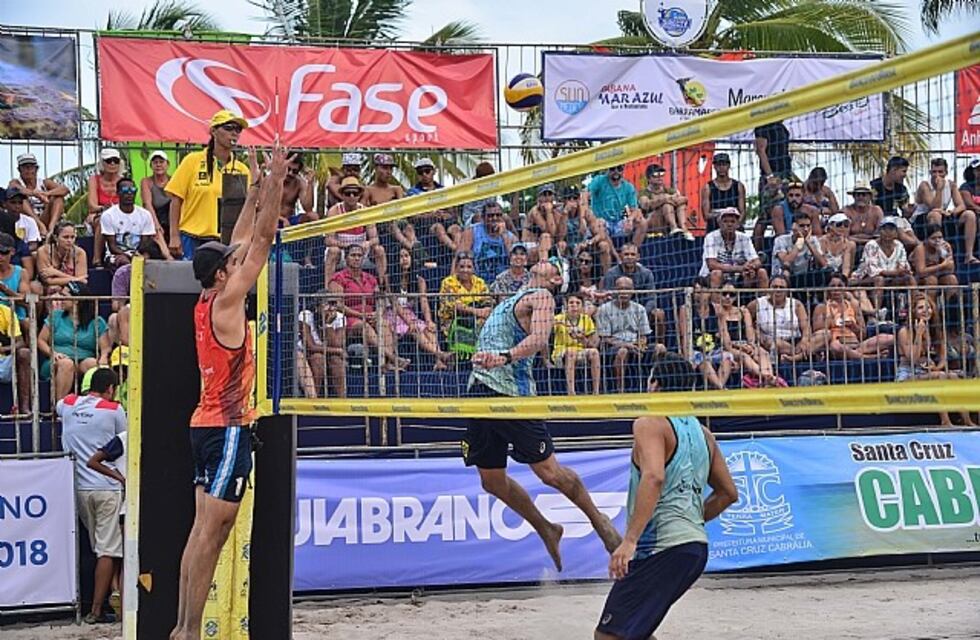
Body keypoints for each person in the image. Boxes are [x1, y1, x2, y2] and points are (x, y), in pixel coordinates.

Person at [170, 143, 287, 640]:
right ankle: (190, 631)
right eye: (230, 263)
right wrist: (279, 179)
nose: (236, 261)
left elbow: (240, 236)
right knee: (212, 536)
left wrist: (257, 184)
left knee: (202, 532)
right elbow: (260, 240)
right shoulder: (228, 300)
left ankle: (182, 628)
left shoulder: (207, 295)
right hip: (229, 427)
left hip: (205, 425)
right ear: (223, 275)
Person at [465, 258, 622, 570]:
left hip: (512, 396)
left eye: (555, 267)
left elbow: (538, 341)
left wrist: (504, 356)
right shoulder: (513, 297)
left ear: (554, 280)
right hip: (480, 390)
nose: (548, 261)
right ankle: (545, 527)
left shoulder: (543, 297)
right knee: (491, 481)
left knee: (550, 473)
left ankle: (598, 520)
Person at [595, 354, 738, 640]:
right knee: (637, 631)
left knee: (608, 636)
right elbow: (728, 494)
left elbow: (654, 477)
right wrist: (691, 521)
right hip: (694, 548)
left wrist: (630, 540)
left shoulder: (649, 422)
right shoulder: (704, 433)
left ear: (655, 385)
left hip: (662, 548)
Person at [58, 368, 127, 625]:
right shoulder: (114, 410)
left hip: (78, 489)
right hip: (106, 487)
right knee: (107, 551)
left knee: (100, 547)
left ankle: (112, 595)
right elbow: (122, 440)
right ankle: (97, 610)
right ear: (110, 388)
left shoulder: (68, 404)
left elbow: (58, 405)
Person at [167, 110, 251, 260]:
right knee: (191, 282)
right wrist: (174, 236)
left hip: (226, 241)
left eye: (238, 129)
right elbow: (176, 199)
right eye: (228, 127)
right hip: (193, 238)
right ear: (213, 131)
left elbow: (249, 208)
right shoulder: (192, 161)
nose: (234, 133)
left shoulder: (242, 169)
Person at [896, 296, 975, 427]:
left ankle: (967, 420)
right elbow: (912, 358)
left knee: (953, 376)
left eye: (928, 307)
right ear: (913, 311)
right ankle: (945, 421)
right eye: (920, 307)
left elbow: (943, 358)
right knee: (941, 376)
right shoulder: (904, 332)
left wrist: (936, 368)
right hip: (907, 376)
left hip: (926, 372)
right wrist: (919, 334)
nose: (925, 310)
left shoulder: (936, 330)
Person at [329, 243, 407, 372]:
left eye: (359, 255)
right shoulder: (338, 278)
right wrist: (362, 316)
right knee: (364, 326)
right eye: (353, 255)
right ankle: (393, 358)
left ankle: (387, 364)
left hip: (371, 315)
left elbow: (380, 299)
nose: (357, 258)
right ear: (346, 258)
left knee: (384, 324)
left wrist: (377, 313)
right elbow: (338, 305)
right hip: (350, 318)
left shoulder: (371, 278)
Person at [386, 246, 453, 370]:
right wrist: (409, 322)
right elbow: (395, 304)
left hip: (410, 314)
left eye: (407, 256)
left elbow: (424, 301)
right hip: (394, 314)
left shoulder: (419, 280)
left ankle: (439, 361)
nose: (404, 259)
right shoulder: (389, 279)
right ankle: (441, 354)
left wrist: (429, 320)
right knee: (415, 329)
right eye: (401, 256)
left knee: (429, 328)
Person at [810, 273, 894, 361]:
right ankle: (870, 357)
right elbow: (820, 334)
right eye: (833, 286)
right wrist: (831, 319)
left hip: (856, 344)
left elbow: (863, 334)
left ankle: (855, 354)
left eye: (840, 286)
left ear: (845, 288)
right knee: (836, 347)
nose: (836, 289)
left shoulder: (854, 305)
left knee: (889, 338)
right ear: (827, 289)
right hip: (836, 345)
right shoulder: (822, 307)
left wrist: (854, 327)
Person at [596, 276, 657, 394]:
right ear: (615, 290)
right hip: (613, 347)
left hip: (635, 344)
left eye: (627, 289)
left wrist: (641, 344)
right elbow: (605, 338)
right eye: (620, 289)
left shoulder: (640, 309)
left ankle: (654, 386)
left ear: (633, 290)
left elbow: (644, 334)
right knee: (623, 351)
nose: (624, 292)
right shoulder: (604, 309)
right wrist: (628, 345)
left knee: (660, 348)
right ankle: (621, 391)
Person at [323, 177, 385, 284]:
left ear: (359, 195)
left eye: (355, 193)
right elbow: (328, 240)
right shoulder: (334, 211)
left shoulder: (365, 211)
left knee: (379, 250)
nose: (351, 196)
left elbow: (375, 239)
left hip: (361, 249)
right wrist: (346, 246)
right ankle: (328, 289)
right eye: (348, 193)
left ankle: (382, 285)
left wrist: (368, 243)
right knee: (333, 251)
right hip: (342, 250)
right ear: (342, 195)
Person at [601, 243, 664, 346]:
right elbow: (608, 298)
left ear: (638, 257)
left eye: (632, 254)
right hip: (618, 311)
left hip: (641, 311)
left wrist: (640, 313)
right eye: (626, 254)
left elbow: (652, 299)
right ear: (621, 256)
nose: (629, 257)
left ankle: (659, 347)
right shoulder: (611, 274)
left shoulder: (646, 273)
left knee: (659, 314)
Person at [850, 217, 916, 311]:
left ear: (896, 232)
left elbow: (903, 267)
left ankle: (913, 310)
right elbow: (873, 271)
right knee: (879, 279)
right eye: (884, 229)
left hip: (891, 278)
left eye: (891, 229)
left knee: (910, 279)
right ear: (879, 231)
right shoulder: (872, 245)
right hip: (865, 279)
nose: (888, 232)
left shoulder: (899, 245)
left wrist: (898, 272)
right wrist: (896, 272)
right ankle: (876, 312)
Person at [438, 252, 492, 359]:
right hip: (453, 319)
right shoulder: (448, 282)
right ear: (456, 268)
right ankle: (462, 357)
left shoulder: (480, 282)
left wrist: (485, 310)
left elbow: (488, 302)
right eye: (461, 266)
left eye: (469, 267)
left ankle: (484, 358)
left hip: (477, 318)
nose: (465, 270)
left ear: (473, 269)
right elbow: (454, 305)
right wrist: (476, 311)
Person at [699, 208, 768, 290]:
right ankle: (716, 302)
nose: (729, 224)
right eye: (725, 221)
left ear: (738, 224)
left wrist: (750, 267)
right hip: (711, 277)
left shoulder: (744, 238)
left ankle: (763, 301)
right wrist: (740, 268)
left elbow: (757, 261)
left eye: (732, 221)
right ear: (719, 223)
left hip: (738, 276)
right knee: (716, 273)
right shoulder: (711, 237)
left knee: (761, 272)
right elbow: (712, 265)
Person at [748, 276, 811, 364]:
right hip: (771, 341)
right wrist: (756, 332)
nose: (778, 290)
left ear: (787, 290)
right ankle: (798, 355)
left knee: (824, 334)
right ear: (769, 288)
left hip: (796, 341)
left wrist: (804, 340)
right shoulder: (757, 304)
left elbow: (806, 327)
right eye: (774, 287)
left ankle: (794, 357)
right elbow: (745, 322)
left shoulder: (797, 304)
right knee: (775, 343)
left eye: (781, 287)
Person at [297, 291, 347, 398]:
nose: (331, 308)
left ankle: (342, 400)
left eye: (333, 304)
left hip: (327, 351)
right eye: (327, 304)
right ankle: (315, 399)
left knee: (336, 361)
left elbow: (337, 344)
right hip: (307, 352)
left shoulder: (340, 317)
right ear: (317, 306)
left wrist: (327, 325)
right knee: (318, 358)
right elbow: (310, 346)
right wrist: (337, 351)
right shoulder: (305, 315)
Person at [100, 176, 157, 269]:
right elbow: (112, 246)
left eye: (133, 190)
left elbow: (145, 243)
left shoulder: (145, 214)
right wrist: (128, 256)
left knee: (148, 260)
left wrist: (136, 255)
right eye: (125, 190)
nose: (129, 193)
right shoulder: (108, 215)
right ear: (118, 193)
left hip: (138, 253)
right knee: (123, 262)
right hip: (115, 254)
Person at [911, 158, 969, 248]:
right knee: (935, 214)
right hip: (922, 219)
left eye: (940, 172)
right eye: (934, 172)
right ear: (930, 172)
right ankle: (939, 250)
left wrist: (951, 212)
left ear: (946, 173)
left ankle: (969, 254)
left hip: (943, 216)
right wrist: (939, 189)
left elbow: (961, 205)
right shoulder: (924, 185)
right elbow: (934, 207)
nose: (937, 175)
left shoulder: (951, 184)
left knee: (969, 215)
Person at [753, 120, 793, 249]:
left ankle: (783, 247)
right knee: (765, 216)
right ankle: (757, 251)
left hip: (785, 175)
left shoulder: (783, 128)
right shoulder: (763, 126)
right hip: (771, 177)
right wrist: (770, 177)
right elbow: (761, 151)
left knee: (782, 211)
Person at [552, 293, 601, 395]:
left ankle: (596, 391)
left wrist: (581, 338)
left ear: (582, 306)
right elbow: (546, 333)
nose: (574, 305)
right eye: (571, 303)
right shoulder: (558, 319)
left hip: (580, 351)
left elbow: (592, 344)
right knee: (571, 352)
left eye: (578, 303)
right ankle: (571, 392)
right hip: (560, 353)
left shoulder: (586, 319)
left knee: (594, 352)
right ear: (566, 305)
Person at [586, 165, 647, 247]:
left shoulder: (628, 187)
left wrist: (630, 219)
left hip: (618, 222)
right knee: (600, 224)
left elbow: (634, 209)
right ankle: (617, 257)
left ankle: (632, 251)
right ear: (607, 170)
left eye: (619, 169)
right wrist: (589, 217)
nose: (616, 171)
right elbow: (585, 195)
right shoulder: (599, 180)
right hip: (601, 222)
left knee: (642, 222)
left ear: (623, 170)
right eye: (612, 168)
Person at [458, 200, 516, 285]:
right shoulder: (472, 232)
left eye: (498, 215)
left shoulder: (511, 237)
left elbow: (515, 261)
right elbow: (459, 258)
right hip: (476, 283)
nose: (495, 218)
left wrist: (504, 235)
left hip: (503, 284)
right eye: (490, 215)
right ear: (483, 218)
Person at [772, 211, 831, 291]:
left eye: (808, 226)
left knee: (828, 271)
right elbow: (787, 261)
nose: (806, 229)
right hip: (783, 278)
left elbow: (824, 264)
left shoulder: (812, 240)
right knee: (786, 271)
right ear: (794, 227)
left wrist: (808, 242)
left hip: (804, 277)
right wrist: (800, 241)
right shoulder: (781, 240)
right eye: (802, 226)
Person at [562, 185, 613, 274]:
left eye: (575, 198)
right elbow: (559, 236)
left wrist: (589, 242)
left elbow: (601, 234)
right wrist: (565, 214)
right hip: (567, 245)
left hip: (584, 245)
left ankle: (607, 278)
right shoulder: (559, 212)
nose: (572, 201)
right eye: (569, 198)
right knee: (561, 244)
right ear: (564, 200)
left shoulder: (586, 212)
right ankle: (564, 277)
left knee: (604, 245)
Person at [87, 148, 125, 267]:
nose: (112, 163)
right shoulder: (94, 179)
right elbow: (92, 205)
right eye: (109, 161)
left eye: (115, 160)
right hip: (99, 213)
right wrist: (105, 209)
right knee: (103, 220)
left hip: (119, 213)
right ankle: (97, 258)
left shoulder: (123, 180)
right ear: (102, 163)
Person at [10, 152, 67, 229]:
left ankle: (51, 226)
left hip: (45, 217)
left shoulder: (44, 182)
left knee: (58, 198)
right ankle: (40, 225)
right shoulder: (16, 182)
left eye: (31, 167)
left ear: (36, 169)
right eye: (25, 167)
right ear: (19, 170)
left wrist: (46, 194)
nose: (28, 170)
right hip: (29, 219)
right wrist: (35, 194)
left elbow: (65, 189)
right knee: (21, 198)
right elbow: (15, 188)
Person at [638, 163, 693, 239]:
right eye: (656, 175)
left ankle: (684, 229)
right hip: (652, 223)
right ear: (648, 178)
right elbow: (645, 205)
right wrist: (664, 199)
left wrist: (671, 199)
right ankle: (673, 227)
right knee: (667, 204)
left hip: (666, 220)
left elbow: (684, 199)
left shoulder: (669, 190)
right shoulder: (643, 192)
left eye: (661, 174)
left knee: (681, 204)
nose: (660, 177)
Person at [139, 150, 175, 259]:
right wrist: (156, 225)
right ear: (151, 165)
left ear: (167, 164)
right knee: (156, 231)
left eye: (161, 161)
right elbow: (147, 204)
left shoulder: (174, 180)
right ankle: (167, 255)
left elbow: (176, 203)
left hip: (171, 216)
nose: (158, 165)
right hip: (154, 216)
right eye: (155, 162)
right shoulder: (146, 181)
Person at [0, 295, 31, 415]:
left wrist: (4, 349)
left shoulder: (6, 311)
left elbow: (20, 342)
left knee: (25, 353)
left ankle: (24, 407)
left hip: (4, 362)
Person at [699, 153, 745, 233]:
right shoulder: (707, 187)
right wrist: (725, 214)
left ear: (728, 166)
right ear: (714, 167)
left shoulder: (738, 186)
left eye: (724, 164)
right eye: (718, 165)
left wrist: (736, 224)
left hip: (735, 229)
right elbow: (706, 215)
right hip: (714, 228)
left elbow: (743, 212)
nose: (721, 168)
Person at [911, 223, 958, 299]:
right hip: (919, 279)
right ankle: (933, 307)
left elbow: (951, 269)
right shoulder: (920, 249)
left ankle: (950, 308)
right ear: (926, 239)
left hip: (938, 275)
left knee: (952, 279)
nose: (937, 241)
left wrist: (947, 253)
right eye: (933, 238)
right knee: (932, 280)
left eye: (940, 237)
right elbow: (921, 272)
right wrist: (942, 265)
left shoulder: (944, 246)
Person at [0, 231, 31, 333]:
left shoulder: (21, 272)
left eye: (3, 252)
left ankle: (29, 348)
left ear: (12, 251)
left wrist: (5, 290)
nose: (0, 256)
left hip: (16, 317)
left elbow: (26, 301)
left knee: (28, 324)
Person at [843, 181, 885, 249]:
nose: (861, 197)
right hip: (851, 247)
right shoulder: (847, 211)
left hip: (873, 247)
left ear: (870, 196)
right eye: (858, 195)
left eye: (864, 194)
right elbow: (844, 236)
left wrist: (856, 238)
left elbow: (880, 234)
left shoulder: (876, 211)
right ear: (854, 196)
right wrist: (868, 239)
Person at [523, 183, 559, 262]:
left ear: (553, 197)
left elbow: (557, 234)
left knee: (561, 244)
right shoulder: (534, 211)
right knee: (546, 236)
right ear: (539, 198)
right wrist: (549, 211)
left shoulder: (555, 212)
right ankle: (543, 267)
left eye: (549, 194)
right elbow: (550, 232)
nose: (547, 197)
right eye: (544, 194)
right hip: (530, 246)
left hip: (546, 246)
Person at [871, 156, 914, 220]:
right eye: (903, 171)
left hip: (895, 221)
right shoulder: (874, 186)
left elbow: (905, 213)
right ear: (894, 170)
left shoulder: (901, 189)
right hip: (877, 221)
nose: (905, 175)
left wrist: (909, 211)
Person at [279, 153, 316, 226]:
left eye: (294, 171)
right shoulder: (272, 180)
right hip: (271, 219)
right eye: (288, 169)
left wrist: (310, 183)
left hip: (290, 220)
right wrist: (282, 219)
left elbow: (308, 208)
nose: (290, 173)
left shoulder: (299, 183)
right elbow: (262, 208)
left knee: (313, 216)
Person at [819, 212, 857, 279]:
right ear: (830, 226)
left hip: (841, 277)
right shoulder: (821, 241)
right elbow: (822, 264)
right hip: (822, 276)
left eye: (846, 225)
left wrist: (843, 279)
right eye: (839, 224)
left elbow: (848, 267)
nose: (843, 227)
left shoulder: (849, 244)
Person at [957, 159, 980, 264]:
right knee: (971, 215)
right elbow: (969, 204)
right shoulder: (965, 187)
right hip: (968, 217)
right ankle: (969, 255)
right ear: (972, 171)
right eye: (978, 170)